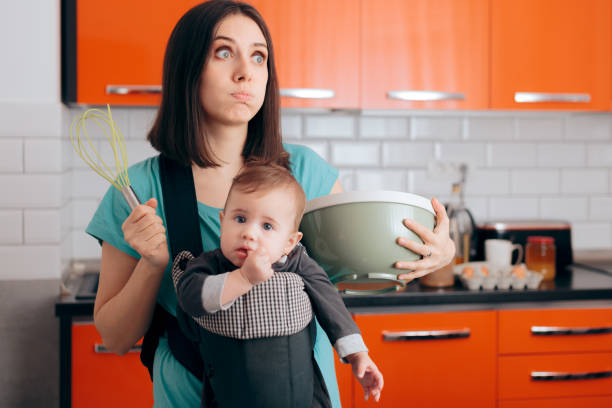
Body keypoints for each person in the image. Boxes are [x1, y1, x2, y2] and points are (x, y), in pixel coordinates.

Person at [86, 1, 455, 407]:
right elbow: (117, 338)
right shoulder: (139, 190)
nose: (245, 71)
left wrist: (436, 255)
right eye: (223, 52)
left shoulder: (307, 174)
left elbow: (352, 275)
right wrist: (152, 264)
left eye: (258, 56)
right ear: (187, 68)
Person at [172, 161, 383, 407]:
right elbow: (190, 298)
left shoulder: (298, 264)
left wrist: (358, 355)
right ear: (222, 222)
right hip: (230, 393)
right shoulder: (208, 264)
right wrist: (242, 279)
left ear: (290, 242)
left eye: (267, 226)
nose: (249, 233)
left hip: (299, 392)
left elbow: (331, 305)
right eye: (240, 218)